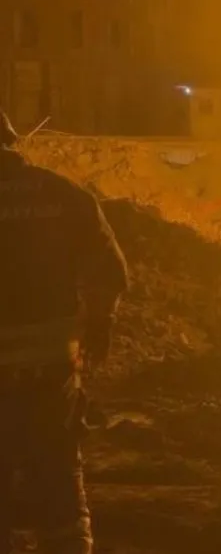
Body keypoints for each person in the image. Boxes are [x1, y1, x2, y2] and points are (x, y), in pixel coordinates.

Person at [0, 109, 128, 554]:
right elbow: (110, 270)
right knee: (59, 483)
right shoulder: (64, 195)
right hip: (51, 375)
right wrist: (100, 326)